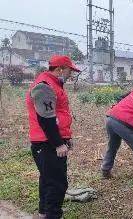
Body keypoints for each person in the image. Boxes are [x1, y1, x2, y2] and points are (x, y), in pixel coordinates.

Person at [26, 55, 80, 219]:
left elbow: (55, 115)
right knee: (57, 184)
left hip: (48, 141)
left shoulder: (53, 84)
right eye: (70, 71)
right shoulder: (45, 86)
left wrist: (65, 138)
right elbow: (46, 119)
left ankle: (44, 213)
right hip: (47, 143)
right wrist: (58, 143)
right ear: (60, 69)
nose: (71, 75)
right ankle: (53, 215)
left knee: (48, 180)